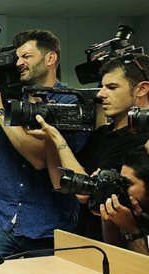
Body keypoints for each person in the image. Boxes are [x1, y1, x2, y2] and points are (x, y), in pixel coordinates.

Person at [0, 29, 86, 263]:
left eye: (26, 57)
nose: (19, 63)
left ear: (50, 59)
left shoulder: (70, 103)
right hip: (2, 216)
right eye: (18, 57)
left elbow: (39, 159)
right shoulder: (14, 102)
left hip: (47, 222)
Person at [28, 54, 149, 241]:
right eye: (102, 86)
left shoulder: (141, 141)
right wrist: (50, 139)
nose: (100, 94)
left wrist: (57, 139)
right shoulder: (103, 134)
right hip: (85, 237)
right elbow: (61, 181)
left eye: (112, 87)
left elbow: (85, 195)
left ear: (142, 89)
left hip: (120, 246)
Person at [100, 146, 149, 255]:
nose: (120, 189)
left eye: (127, 184)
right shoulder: (134, 210)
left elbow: (144, 270)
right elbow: (115, 256)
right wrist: (109, 217)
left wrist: (131, 229)